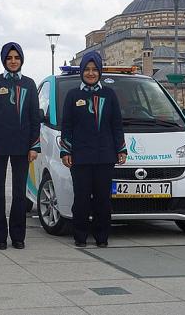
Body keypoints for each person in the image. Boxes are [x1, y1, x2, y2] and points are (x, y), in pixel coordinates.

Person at [59, 51, 126, 248]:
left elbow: (116, 124)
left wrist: (120, 149)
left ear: (100, 71)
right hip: (80, 157)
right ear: (81, 71)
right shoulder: (73, 95)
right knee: (81, 198)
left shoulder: (109, 94)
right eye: (87, 70)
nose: (90, 73)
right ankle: (80, 235)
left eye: (94, 70)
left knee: (103, 199)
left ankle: (102, 236)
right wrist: (66, 151)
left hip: (105, 156)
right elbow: (67, 127)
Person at [0, 42, 41, 250]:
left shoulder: (30, 84)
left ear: (21, 59)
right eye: (9, 58)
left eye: (16, 58)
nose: (13, 61)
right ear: (4, 60)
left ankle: (18, 236)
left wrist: (34, 146)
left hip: (22, 148)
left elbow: (34, 118)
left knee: (18, 193)